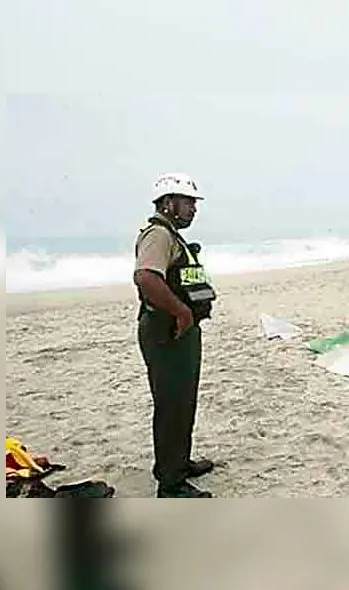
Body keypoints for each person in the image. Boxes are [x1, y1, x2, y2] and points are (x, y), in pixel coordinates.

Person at [133, 172, 219, 498]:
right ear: (168, 203)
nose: (193, 209)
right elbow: (146, 277)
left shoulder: (172, 235)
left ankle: (178, 463)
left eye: (194, 203)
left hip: (180, 331)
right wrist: (181, 312)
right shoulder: (158, 236)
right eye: (188, 202)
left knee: (183, 402)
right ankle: (170, 483)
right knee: (172, 405)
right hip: (165, 330)